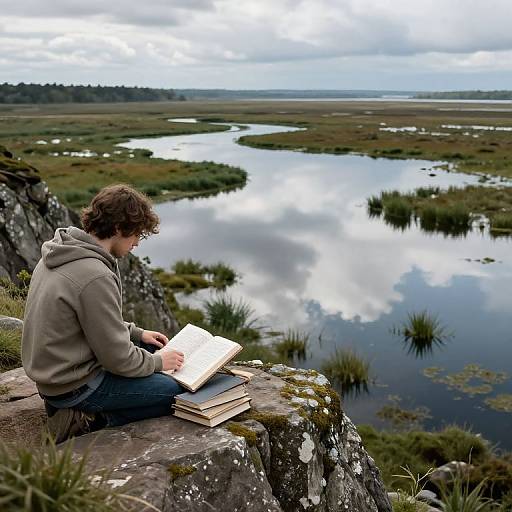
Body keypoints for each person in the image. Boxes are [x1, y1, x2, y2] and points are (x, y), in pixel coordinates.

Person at [21, 184, 185, 442]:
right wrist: (157, 363)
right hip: (74, 385)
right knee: (176, 391)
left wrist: (137, 334)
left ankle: (79, 409)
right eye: (137, 235)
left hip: (58, 375)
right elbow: (118, 360)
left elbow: (89, 318)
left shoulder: (61, 251)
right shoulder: (94, 274)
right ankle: (89, 420)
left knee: (156, 356)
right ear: (119, 228)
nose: (136, 244)